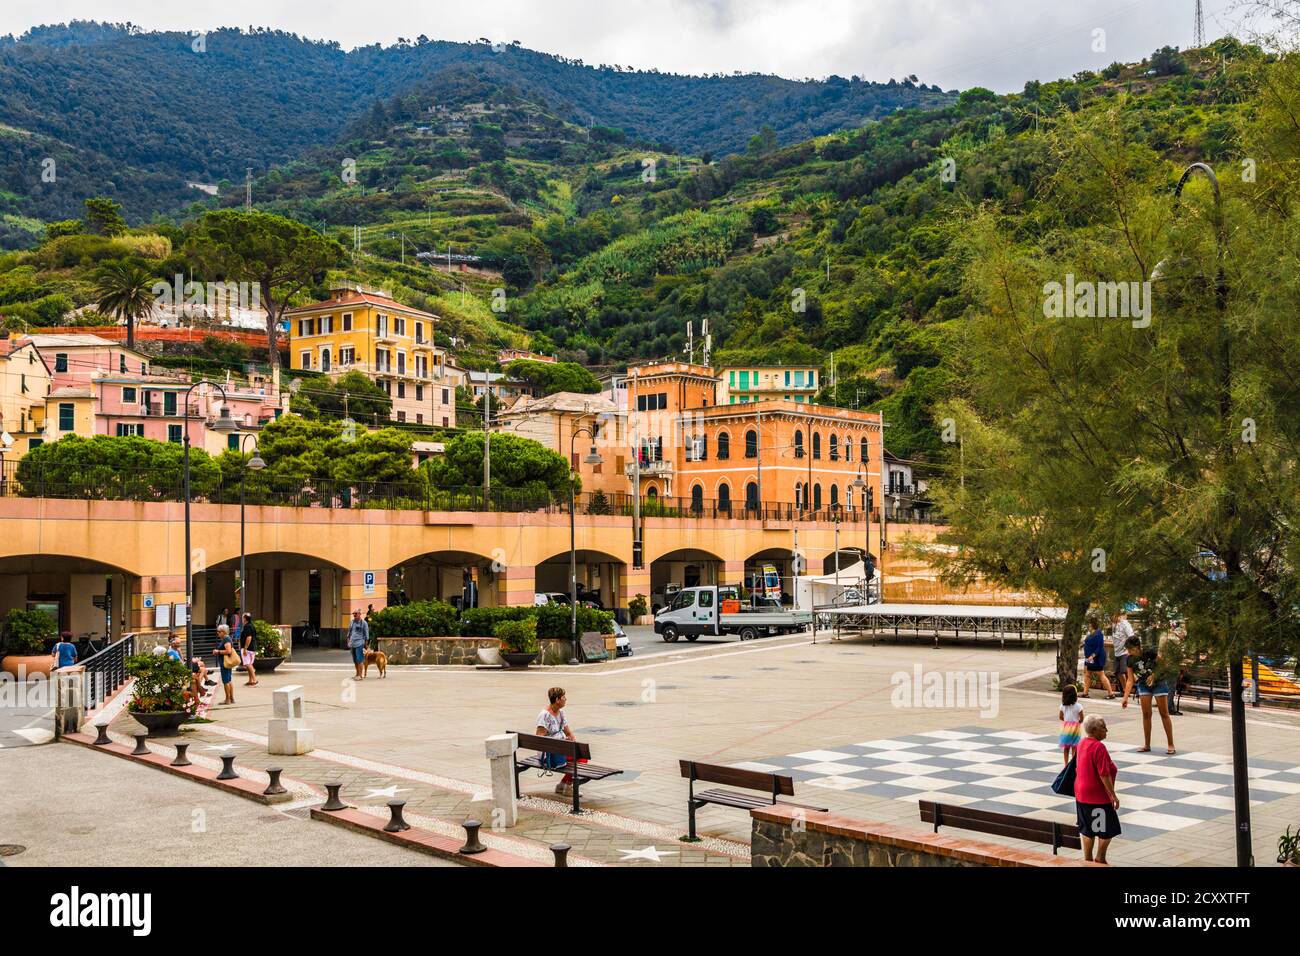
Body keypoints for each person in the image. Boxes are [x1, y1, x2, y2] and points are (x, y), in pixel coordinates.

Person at [1075, 714, 1121, 864]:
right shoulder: (1098, 747)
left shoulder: (1081, 743)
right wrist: (1112, 795)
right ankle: (1100, 858)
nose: (1106, 730)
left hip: (1082, 794)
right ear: (1094, 730)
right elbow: (1104, 774)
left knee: (1088, 828)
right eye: (1103, 727)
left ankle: (1087, 859)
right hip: (1097, 796)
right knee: (1107, 829)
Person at [1122, 635, 1176, 754]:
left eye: (1131, 649)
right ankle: (1147, 744)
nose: (1129, 652)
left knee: (1164, 713)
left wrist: (1154, 675)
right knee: (1146, 714)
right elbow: (1130, 679)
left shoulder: (1149, 652)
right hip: (1143, 684)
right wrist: (1125, 697)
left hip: (1159, 682)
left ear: (1138, 647)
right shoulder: (1129, 659)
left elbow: (1163, 665)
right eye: (1127, 649)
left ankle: (1171, 744)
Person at [535, 687, 584, 797]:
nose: (565, 699)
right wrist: (559, 742)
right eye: (563, 697)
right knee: (581, 758)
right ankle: (567, 786)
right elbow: (540, 739)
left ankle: (563, 784)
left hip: (560, 750)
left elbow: (569, 733)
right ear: (557, 700)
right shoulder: (545, 715)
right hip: (549, 755)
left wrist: (570, 739)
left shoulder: (561, 712)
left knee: (580, 756)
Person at [1080, 616, 1113, 699]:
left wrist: (1093, 656)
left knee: (1101, 674)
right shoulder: (1090, 633)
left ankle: (1111, 693)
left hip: (1096, 658)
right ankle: (1085, 692)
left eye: (1088, 624)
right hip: (1089, 657)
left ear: (1092, 624)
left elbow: (1099, 647)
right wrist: (1083, 645)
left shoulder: (1099, 634)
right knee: (1087, 673)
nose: (1087, 626)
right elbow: (1088, 642)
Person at [212, 624, 237, 705]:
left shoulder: (226, 639)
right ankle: (231, 698)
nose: (218, 633)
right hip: (226, 662)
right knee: (229, 680)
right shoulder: (227, 639)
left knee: (226, 681)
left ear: (223, 632)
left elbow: (228, 651)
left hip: (225, 663)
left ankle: (227, 699)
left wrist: (218, 651)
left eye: (219, 632)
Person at [1058, 684, 1083, 765]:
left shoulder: (1062, 706)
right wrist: (1077, 722)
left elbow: (1060, 717)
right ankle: (1073, 764)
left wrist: (1066, 721)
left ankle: (1066, 764)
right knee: (1074, 747)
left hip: (1066, 728)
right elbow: (1082, 718)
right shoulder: (1078, 706)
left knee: (1066, 747)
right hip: (1076, 728)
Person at [1111, 611, 1134, 688]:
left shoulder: (1125, 624)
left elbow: (1131, 636)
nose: (1113, 617)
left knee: (1126, 671)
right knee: (1118, 672)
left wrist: (1128, 650)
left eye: (1114, 615)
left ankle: (1138, 686)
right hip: (1117, 652)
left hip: (1124, 652)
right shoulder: (1114, 624)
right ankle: (1125, 690)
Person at [346, 609, 369, 681]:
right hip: (352, 644)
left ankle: (360, 675)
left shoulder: (364, 623)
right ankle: (357, 674)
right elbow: (349, 633)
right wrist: (348, 642)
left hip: (360, 643)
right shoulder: (352, 622)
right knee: (355, 660)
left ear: (359, 614)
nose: (354, 615)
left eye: (356, 614)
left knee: (360, 660)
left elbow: (366, 635)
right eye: (353, 614)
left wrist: (366, 645)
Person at [240, 612, 258, 687]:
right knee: (249, 664)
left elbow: (249, 637)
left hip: (248, 648)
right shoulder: (252, 625)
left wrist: (245, 648)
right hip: (252, 647)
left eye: (242, 617)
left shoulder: (247, 626)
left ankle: (254, 680)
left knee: (248, 664)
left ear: (245, 618)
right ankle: (250, 680)